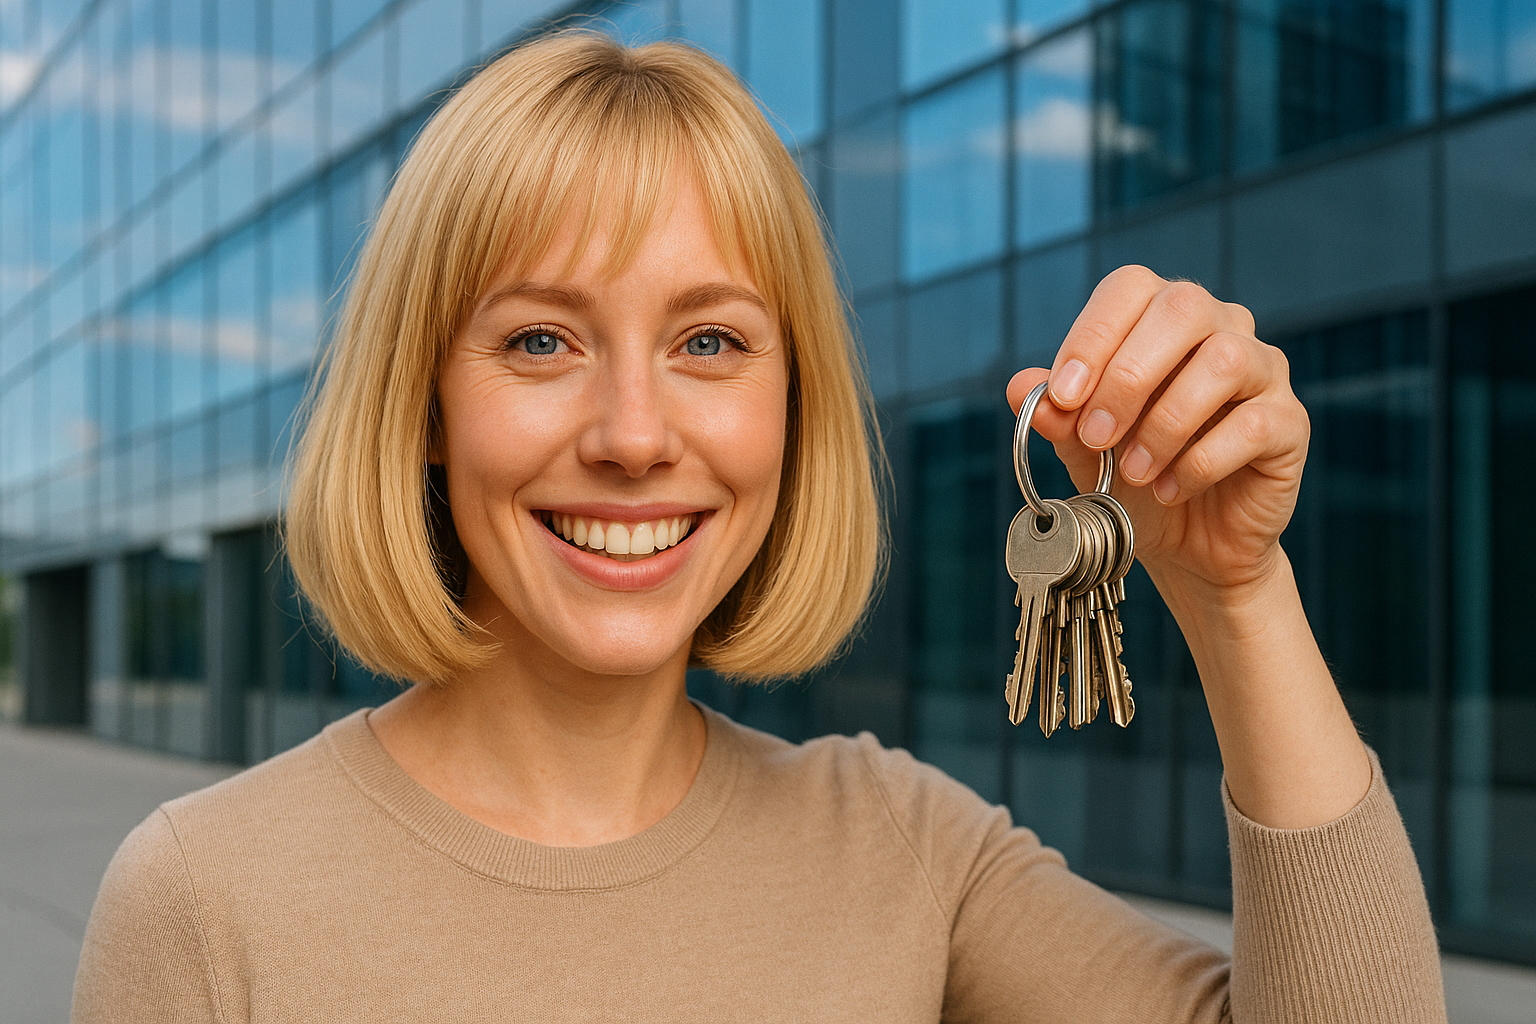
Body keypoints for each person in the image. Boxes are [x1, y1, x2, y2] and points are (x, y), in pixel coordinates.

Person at [71, 31, 1447, 1023]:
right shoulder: (207, 898)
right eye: (542, 339)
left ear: (792, 408)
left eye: (711, 341)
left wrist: (1234, 587)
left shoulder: (905, 851)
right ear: (427, 401)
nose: (631, 433)